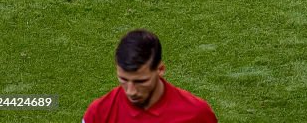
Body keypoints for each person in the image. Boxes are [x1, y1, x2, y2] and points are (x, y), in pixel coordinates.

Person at [83, 29, 217, 123]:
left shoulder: (196, 114)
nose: (131, 91)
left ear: (160, 69)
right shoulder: (99, 113)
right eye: (123, 79)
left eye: (141, 81)